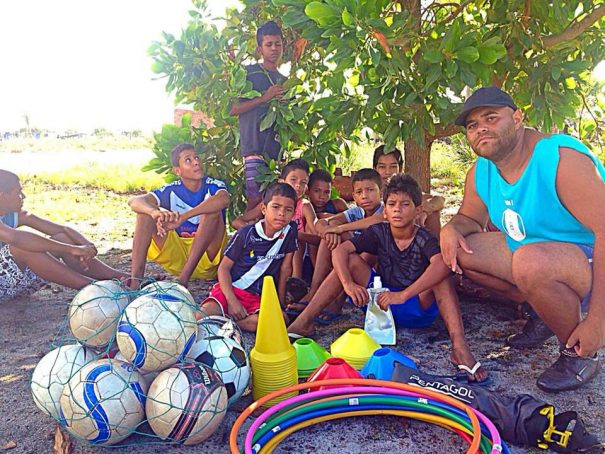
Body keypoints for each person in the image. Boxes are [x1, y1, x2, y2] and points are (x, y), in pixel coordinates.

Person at [441, 86, 605, 392]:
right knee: (463, 251)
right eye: (472, 125)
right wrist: (451, 228)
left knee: (530, 261)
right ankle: (547, 310)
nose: (481, 129)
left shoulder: (559, 159)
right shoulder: (482, 171)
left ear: (517, 118)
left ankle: (581, 355)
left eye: (491, 117)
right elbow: (469, 219)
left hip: (589, 261)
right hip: (543, 258)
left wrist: (598, 321)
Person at [287, 174, 487, 382]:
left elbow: (442, 265)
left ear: (418, 210)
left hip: (415, 307)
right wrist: (348, 285)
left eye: (405, 204)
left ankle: (459, 346)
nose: (397, 210)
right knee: (351, 260)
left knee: (441, 276)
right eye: (391, 204)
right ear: (385, 211)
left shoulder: (423, 237)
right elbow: (341, 251)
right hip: (379, 305)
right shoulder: (379, 232)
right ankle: (304, 322)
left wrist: (402, 295)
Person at [0, 170, 127, 300]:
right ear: (3, 196)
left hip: (13, 283)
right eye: (18, 193)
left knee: (62, 238)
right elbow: (15, 238)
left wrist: (87, 247)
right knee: (23, 247)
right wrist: (72, 249)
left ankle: (122, 278)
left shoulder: (14, 215)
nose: (23, 196)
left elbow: (63, 230)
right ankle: (94, 288)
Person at [286, 169, 384, 321]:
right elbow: (323, 223)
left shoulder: (386, 210)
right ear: (354, 196)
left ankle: (336, 302)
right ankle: (314, 290)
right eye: (359, 192)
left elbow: (377, 220)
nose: (364, 196)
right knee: (331, 237)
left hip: (374, 267)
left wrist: (339, 228)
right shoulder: (357, 211)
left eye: (370, 190)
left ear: (381, 192)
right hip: (355, 257)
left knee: (351, 243)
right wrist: (330, 230)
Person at [199, 182, 298, 332]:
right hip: (232, 289)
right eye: (276, 207)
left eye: (288, 209)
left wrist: (280, 301)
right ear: (264, 209)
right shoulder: (246, 233)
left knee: (278, 321)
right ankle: (224, 315)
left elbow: (285, 268)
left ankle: (230, 322)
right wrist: (232, 301)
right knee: (202, 315)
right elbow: (224, 268)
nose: (282, 213)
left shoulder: (290, 232)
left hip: (257, 297)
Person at [128, 143, 230, 288]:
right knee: (144, 214)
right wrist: (155, 213)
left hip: (207, 260)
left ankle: (183, 279)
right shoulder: (171, 190)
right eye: (188, 160)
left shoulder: (213, 185)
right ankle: (135, 282)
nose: (196, 162)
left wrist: (183, 217)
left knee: (212, 211)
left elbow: (224, 199)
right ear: (177, 170)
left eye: (196, 158)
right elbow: (134, 201)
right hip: (178, 258)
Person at [229, 20, 287, 211]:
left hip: (276, 152)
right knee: (255, 202)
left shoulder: (285, 82)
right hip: (253, 147)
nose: (274, 49)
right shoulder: (249, 73)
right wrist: (264, 98)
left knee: (274, 203)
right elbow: (233, 109)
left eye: (277, 44)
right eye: (269, 44)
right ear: (260, 48)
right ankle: (244, 238)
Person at [232, 158, 318, 278]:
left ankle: (295, 284)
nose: (298, 185)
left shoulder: (304, 206)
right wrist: (259, 234)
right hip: (266, 252)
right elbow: (237, 222)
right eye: (293, 180)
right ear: (281, 181)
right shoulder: (271, 203)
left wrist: (293, 235)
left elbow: (317, 238)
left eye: (303, 182)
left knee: (293, 241)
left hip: (294, 258)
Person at [373, 145, 445, 237]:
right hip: (378, 240)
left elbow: (439, 200)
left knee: (433, 213)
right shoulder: (369, 193)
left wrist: (425, 211)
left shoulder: (406, 191)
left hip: (409, 240)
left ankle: (435, 248)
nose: (388, 172)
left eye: (393, 166)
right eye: (382, 167)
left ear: (400, 168)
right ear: (375, 169)